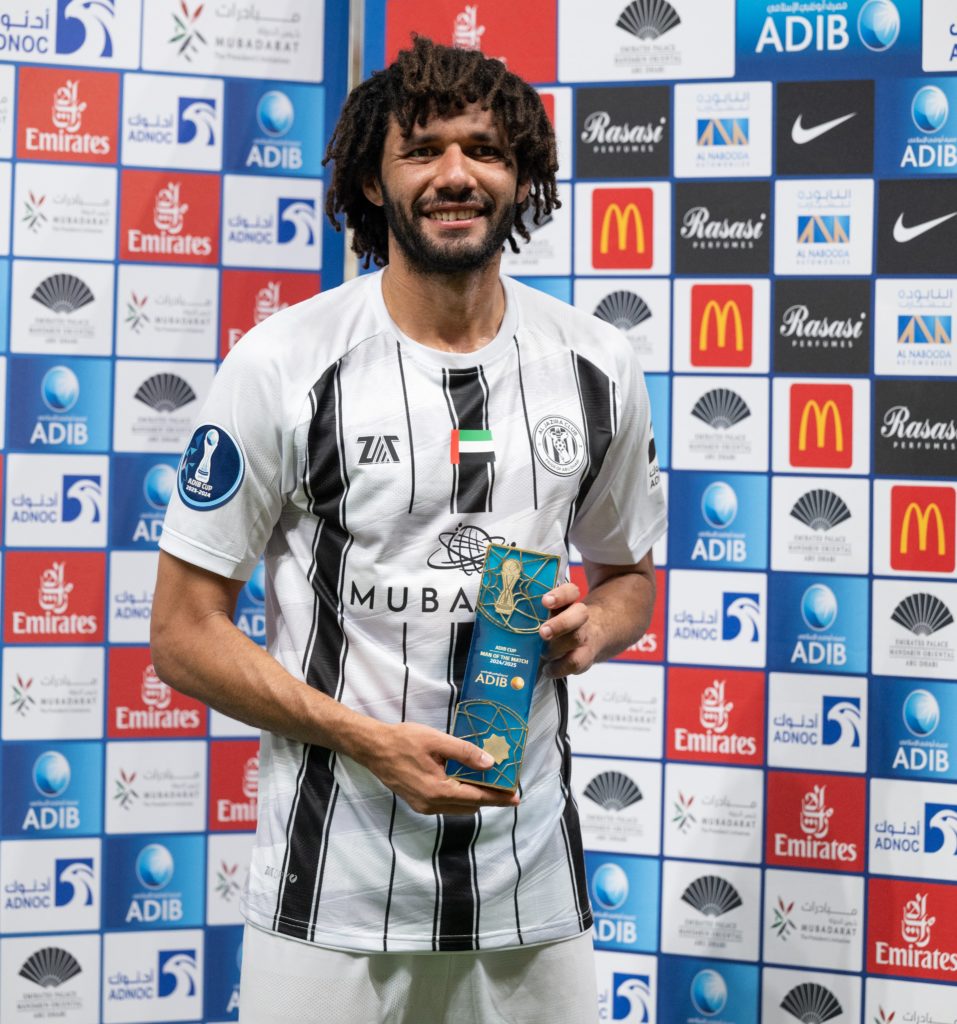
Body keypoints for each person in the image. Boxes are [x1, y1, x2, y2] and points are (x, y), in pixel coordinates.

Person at [151, 36, 666, 1024]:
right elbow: (181, 632)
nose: (457, 173)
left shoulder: (599, 365)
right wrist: (367, 740)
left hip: (531, 892)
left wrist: (595, 625)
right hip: (327, 895)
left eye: (485, 148)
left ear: (523, 178)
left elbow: (627, 576)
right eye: (423, 148)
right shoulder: (281, 366)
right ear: (371, 179)